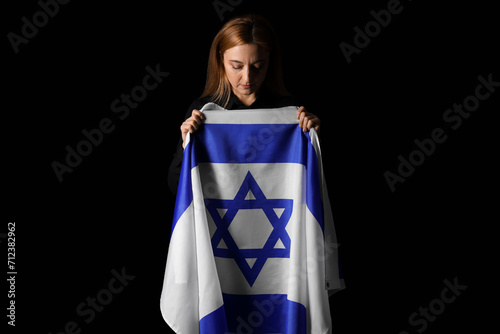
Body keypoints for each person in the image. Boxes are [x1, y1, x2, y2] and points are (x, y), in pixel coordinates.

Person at [168, 14, 321, 194]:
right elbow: (176, 186)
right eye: (237, 66)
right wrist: (186, 146)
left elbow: (311, 187)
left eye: (257, 66)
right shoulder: (202, 111)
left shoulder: (289, 112)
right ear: (221, 61)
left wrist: (314, 144)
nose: (247, 78)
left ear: (270, 61)